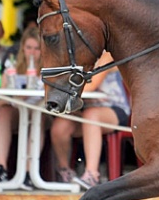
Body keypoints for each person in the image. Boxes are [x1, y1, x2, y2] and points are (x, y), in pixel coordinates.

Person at [50, 51, 131, 190]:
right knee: (60, 125)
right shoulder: (77, 54)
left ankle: (92, 174)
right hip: (85, 108)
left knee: (91, 115)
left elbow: (91, 85)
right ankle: (64, 172)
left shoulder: (108, 55)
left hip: (115, 108)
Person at [0, 26, 44, 189]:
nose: (32, 53)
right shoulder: (11, 70)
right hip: (16, 113)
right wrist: (14, 99)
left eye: (37, 48)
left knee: (36, 117)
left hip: (40, 113)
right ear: (22, 49)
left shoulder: (48, 70)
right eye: (28, 48)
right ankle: (1, 168)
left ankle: (28, 173)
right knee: (3, 112)